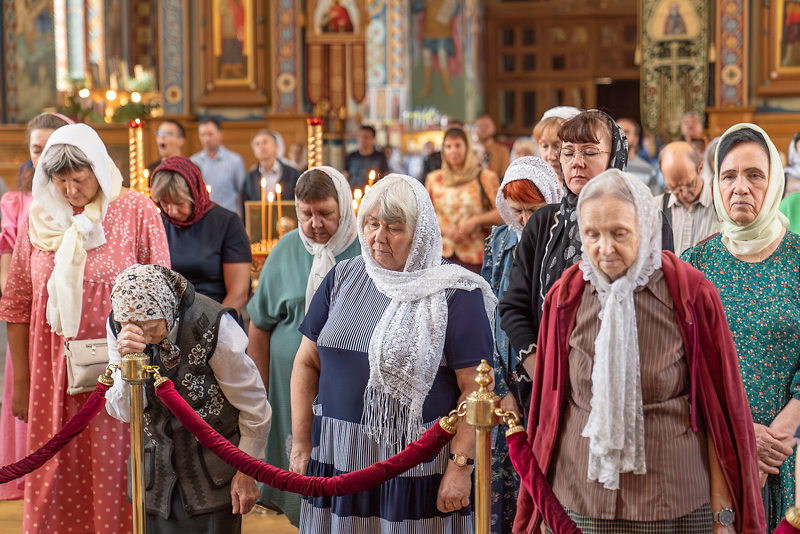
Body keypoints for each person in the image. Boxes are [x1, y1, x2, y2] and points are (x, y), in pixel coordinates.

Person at [514, 169, 765, 534]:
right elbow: (549, 408)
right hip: (580, 499)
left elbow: (719, 406)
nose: (605, 248)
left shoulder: (688, 292)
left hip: (673, 498)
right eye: (592, 235)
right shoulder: (567, 296)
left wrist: (723, 511)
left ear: (646, 227)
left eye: (619, 233)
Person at [289, 173, 496, 533]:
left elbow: (476, 391)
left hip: (418, 465)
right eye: (371, 224)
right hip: (339, 455)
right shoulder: (342, 278)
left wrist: (461, 467)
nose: (377, 238)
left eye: (394, 228)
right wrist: (302, 441)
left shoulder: (456, 293)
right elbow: (307, 363)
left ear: (422, 233)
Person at [0, 123, 170, 533]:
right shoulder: (38, 220)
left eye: (80, 179)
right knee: (55, 470)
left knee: (114, 471)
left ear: (98, 167)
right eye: (62, 182)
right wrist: (20, 381)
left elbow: (165, 290)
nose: (72, 191)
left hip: (118, 370)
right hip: (51, 372)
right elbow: (18, 302)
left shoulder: (135, 209)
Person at [499, 110, 674, 395]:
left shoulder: (646, 221)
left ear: (614, 157)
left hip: (624, 383)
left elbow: (661, 307)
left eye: (590, 152)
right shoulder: (544, 222)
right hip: (550, 386)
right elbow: (513, 306)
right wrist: (540, 369)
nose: (576, 163)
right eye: (567, 153)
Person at [681, 123, 800, 531]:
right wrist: (740, 434)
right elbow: (681, 360)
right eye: (728, 175)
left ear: (776, 183)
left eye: (755, 175)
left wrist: (776, 438)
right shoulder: (693, 264)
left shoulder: (799, 259)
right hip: (713, 449)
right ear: (714, 183)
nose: (741, 187)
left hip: (786, 454)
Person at [105, 264, 271, 534]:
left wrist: (247, 470)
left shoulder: (213, 323)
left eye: (150, 329)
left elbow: (253, 403)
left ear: (167, 311)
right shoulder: (119, 325)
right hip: (154, 479)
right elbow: (124, 412)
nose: (142, 338)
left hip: (213, 476)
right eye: (132, 327)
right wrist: (127, 364)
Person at [246, 166, 360, 526]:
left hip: (344, 384)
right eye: (305, 213)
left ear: (343, 207)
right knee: (297, 462)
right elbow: (260, 325)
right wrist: (258, 386)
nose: (314, 223)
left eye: (326, 213)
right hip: (285, 385)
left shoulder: (364, 248)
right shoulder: (285, 249)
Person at [480, 157, 562, 534]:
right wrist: (498, 387)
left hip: (547, 380)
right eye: (518, 211)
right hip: (504, 383)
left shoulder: (561, 244)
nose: (526, 220)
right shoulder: (498, 243)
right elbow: (487, 315)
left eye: (534, 209)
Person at [0, 112, 71, 502]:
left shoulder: (86, 198)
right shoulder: (19, 202)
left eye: (52, 149)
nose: (44, 158)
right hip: (32, 326)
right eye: (36, 150)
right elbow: (10, 283)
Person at [150, 156, 252, 316]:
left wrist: (211, 327)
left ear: (195, 195)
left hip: (217, 320)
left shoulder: (226, 222)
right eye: (165, 203)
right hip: (169, 324)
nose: (172, 211)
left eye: (179, 203)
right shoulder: (159, 224)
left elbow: (238, 293)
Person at [426, 127, 503, 272]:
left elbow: (503, 214)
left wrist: (475, 221)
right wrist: (446, 230)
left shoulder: (486, 177)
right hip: (440, 256)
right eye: (448, 146)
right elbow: (424, 216)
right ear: (443, 151)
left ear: (467, 148)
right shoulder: (433, 179)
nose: (453, 150)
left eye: (458, 145)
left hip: (475, 256)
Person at [656, 142, 718, 255]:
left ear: (700, 168)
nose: (683, 194)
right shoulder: (655, 207)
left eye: (689, 185)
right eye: (674, 188)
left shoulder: (719, 207)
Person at [191, 118, 247, 215]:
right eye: (202, 135)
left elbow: (242, 192)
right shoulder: (193, 161)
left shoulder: (234, 161)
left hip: (228, 217)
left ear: (220, 134)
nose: (206, 139)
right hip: (202, 216)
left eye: (210, 134)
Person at [243, 129, 301, 218]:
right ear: (254, 151)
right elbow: (246, 207)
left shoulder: (292, 174)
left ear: (276, 146)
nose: (261, 146)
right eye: (257, 144)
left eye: (265, 142)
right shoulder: (250, 177)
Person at [617, 117, 659, 194]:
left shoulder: (648, 170)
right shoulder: (604, 166)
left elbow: (653, 202)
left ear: (636, 139)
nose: (621, 135)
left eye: (626, 132)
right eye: (617, 131)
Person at [343, 125, 389, 190]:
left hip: (374, 196)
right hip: (355, 196)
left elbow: (385, 177)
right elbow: (345, 177)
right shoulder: (351, 157)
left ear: (373, 138)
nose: (362, 140)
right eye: (360, 136)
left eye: (366, 137)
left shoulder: (380, 157)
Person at [475, 114, 511, 179]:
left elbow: (505, 176)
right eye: (480, 126)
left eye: (486, 126)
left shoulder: (502, 150)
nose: (483, 128)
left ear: (493, 128)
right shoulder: (470, 149)